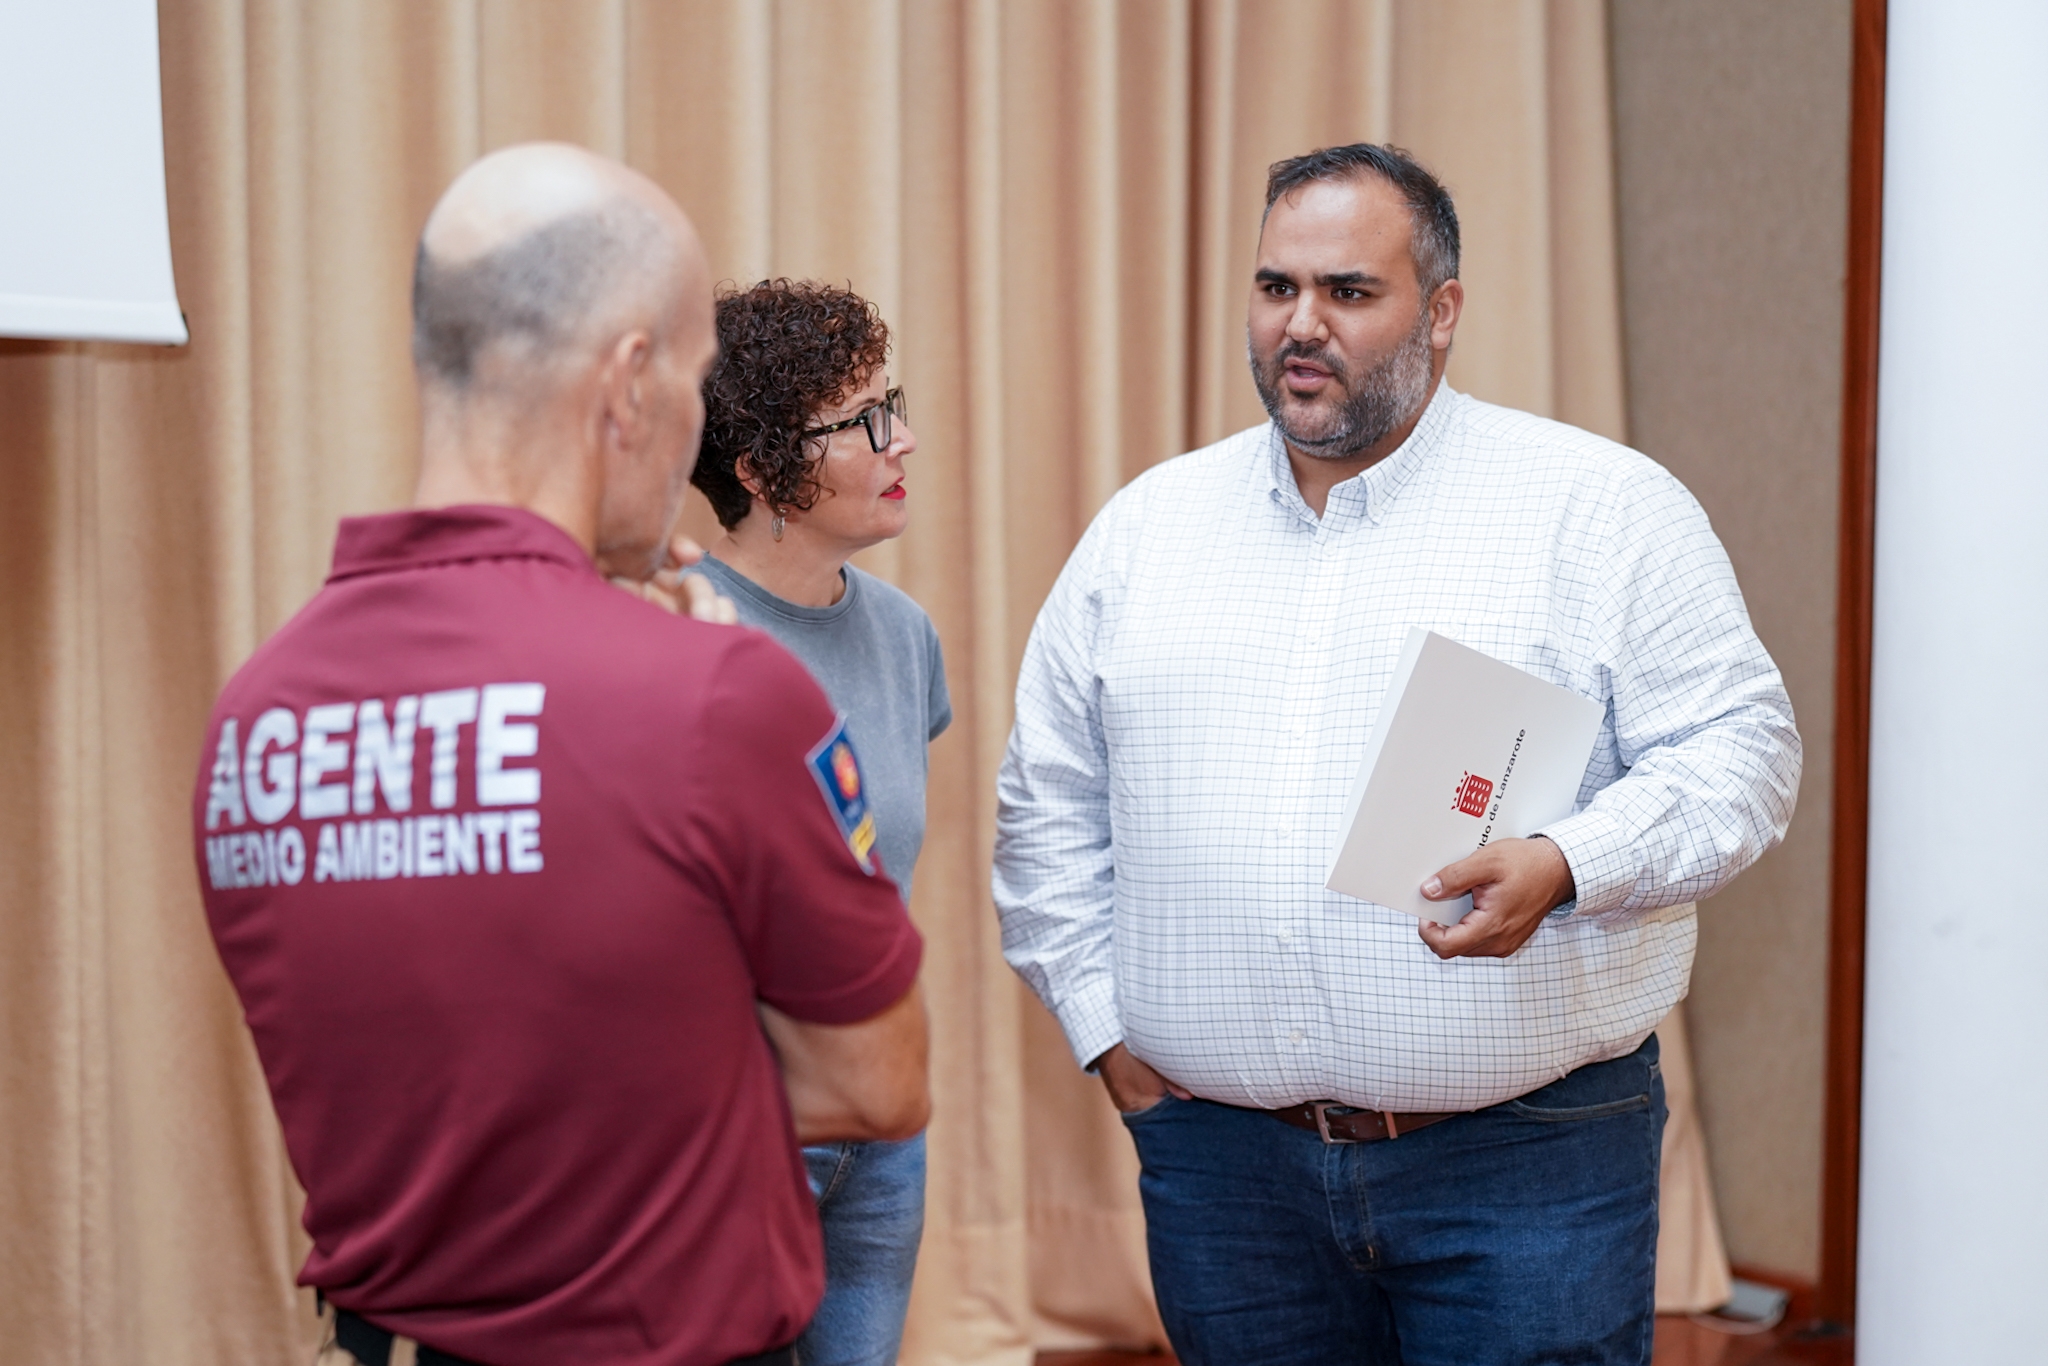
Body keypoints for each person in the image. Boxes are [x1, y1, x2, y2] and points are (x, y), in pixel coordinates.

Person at [992, 142, 1801, 1365]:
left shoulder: (1597, 509)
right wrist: (1103, 1028)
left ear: (1441, 313)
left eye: (1346, 293)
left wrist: (1564, 859)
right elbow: (1046, 801)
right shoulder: (1146, 531)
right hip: (1226, 1177)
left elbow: (1741, 756)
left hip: (1526, 1163)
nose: (1298, 325)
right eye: (1274, 288)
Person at [191, 143, 929, 1366]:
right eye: (695, 376)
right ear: (630, 385)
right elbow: (877, 1085)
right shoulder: (716, 696)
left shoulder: (256, 713)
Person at [687, 280, 948, 1366]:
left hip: (879, 1136)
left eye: (894, 405)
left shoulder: (903, 634)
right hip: (730, 1139)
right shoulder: (676, 636)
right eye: (863, 424)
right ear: (760, 473)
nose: (904, 441)